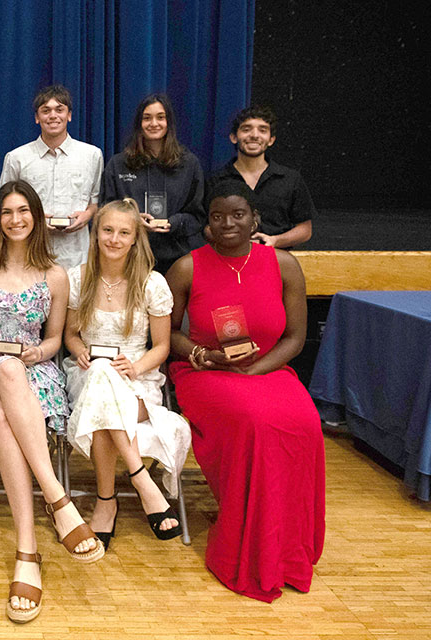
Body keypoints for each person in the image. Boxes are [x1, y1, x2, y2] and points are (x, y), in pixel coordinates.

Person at [0, 180, 103, 623]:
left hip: (35, 375)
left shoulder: (55, 274)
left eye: (24, 211)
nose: (16, 219)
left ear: (35, 216)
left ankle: (27, 552)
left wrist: (40, 351)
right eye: (7, 212)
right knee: (5, 375)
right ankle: (57, 498)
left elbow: (55, 339)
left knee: (2, 414)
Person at [166, 181, 325, 602]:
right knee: (254, 424)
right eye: (218, 216)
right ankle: (246, 541)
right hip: (206, 373)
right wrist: (205, 355)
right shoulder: (187, 267)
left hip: (268, 370)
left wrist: (257, 369)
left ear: (255, 219)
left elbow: (295, 337)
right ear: (207, 225)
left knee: (305, 422)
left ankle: (287, 547)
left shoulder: (284, 264)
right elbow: (166, 336)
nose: (228, 223)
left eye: (238, 215)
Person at [62, 198, 190, 548]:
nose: (114, 239)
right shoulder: (78, 278)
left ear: (135, 239)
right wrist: (80, 351)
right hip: (88, 375)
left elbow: (162, 347)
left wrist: (135, 367)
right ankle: (142, 483)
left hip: (138, 378)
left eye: (123, 232)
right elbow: (70, 335)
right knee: (101, 375)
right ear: (96, 233)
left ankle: (106, 503)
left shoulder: (152, 284)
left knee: (106, 401)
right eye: (107, 230)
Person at [100, 93, 206, 274]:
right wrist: (132, 219)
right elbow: (106, 209)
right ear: (139, 125)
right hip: (130, 257)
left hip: (179, 258)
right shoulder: (119, 164)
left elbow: (198, 216)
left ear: (169, 123)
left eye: (160, 117)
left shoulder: (189, 163)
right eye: (147, 118)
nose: (154, 123)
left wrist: (174, 223)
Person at [0, 85, 103, 270]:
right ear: (37, 118)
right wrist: (35, 217)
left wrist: (87, 215)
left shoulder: (92, 155)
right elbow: (3, 206)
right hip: (30, 255)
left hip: (77, 257)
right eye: (46, 111)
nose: (53, 116)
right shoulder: (16, 158)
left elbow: (96, 201)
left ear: (69, 115)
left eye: (59, 109)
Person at [206, 105, 315, 248]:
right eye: (246, 129)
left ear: (271, 140)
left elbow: (305, 230)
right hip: (227, 259)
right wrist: (235, 243)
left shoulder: (291, 179)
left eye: (262, 130)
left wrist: (275, 240)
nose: (254, 135)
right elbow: (205, 227)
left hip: (276, 259)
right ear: (233, 137)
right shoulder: (215, 180)